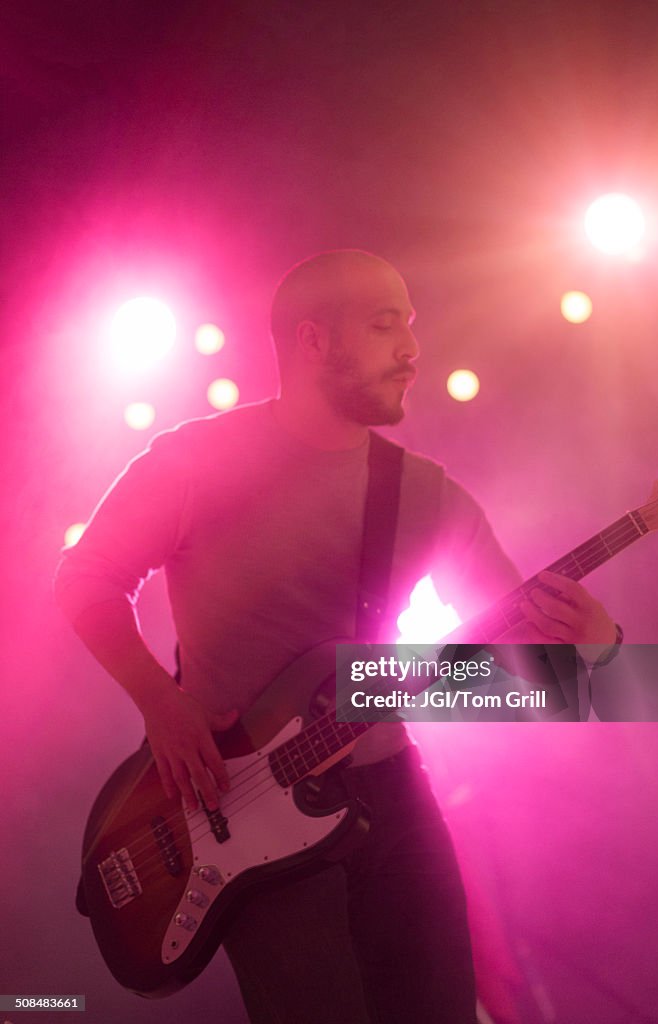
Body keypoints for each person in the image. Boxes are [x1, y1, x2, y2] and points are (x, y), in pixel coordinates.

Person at [55, 249, 618, 1023]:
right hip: (230, 810)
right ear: (313, 342)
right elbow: (84, 581)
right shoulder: (195, 461)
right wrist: (160, 700)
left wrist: (596, 647)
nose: (413, 350)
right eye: (387, 325)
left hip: (391, 794)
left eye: (410, 327)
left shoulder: (425, 494)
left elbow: (520, 671)